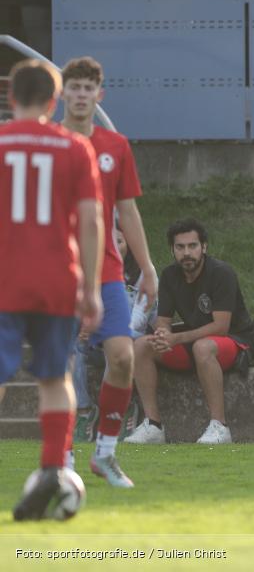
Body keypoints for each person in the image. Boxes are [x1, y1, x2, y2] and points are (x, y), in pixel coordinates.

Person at [0, 59, 103, 519]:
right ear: (54, 101)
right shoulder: (75, 148)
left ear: (10, 97)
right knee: (54, 378)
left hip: (4, 278)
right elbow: (91, 220)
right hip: (58, 279)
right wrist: (93, 289)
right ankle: (50, 470)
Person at [60, 56, 158, 488]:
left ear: (99, 95)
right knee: (59, 365)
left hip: (107, 271)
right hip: (57, 269)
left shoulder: (115, 146)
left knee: (121, 356)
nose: (81, 95)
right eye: (74, 87)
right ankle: (62, 456)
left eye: (88, 88)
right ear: (62, 92)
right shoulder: (49, 142)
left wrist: (149, 268)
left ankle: (104, 452)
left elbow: (128, 211)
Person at [127, 218, 253, 445]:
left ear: (204, 247)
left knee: (202, 347)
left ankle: (220, 427)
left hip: (232, 341)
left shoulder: (221, 273)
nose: (187, 253)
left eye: (192, 246)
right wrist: (163, 335)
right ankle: (153, 426)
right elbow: (163, 320)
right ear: (172, 250)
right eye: (180, 247)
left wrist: (177, 337)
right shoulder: (169, 276)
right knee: (141, 345)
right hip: (192, 341)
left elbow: (221, 326)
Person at [72, 229, 158, 443]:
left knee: (119, 344)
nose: (113, 246)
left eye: (118, 241)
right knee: (70, 345)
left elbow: (140, 320)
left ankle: (121, 408)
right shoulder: (89, 274)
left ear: (128, 242)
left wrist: (105, 332)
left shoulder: (142, 275)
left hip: (129, 341)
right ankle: (84, 412)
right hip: (96, 343)